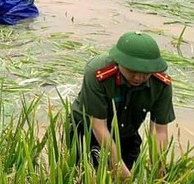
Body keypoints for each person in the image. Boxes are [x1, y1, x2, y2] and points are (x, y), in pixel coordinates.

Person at [69, 31, 175, 179]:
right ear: (120, 63)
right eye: (132, 71)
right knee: (85, 176)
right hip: (87, 130)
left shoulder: (161, 84)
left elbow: (159, 131)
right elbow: (98, 126)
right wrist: (122, 172)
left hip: (126, 133)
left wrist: (159, 170)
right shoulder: (98, 73)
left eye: (145, 73)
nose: (138, 77)